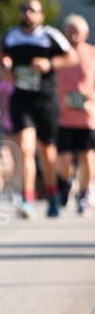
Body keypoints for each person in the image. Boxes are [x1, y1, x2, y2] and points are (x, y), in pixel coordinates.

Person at [0, 0, 77, 218]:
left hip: (45, 100)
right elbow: (1, 56)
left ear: (41, 15)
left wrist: (49, 64)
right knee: (24, 148)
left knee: (47, 151)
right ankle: (27, 199)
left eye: (32, 11)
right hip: (21, 99)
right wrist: (5, 67)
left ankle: (52, 195)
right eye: (24, 10)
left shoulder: (50, 35)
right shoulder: (10, 35)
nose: (27, 14)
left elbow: (72, 56)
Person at [55, 14, 95, 214]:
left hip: (88, 117)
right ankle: (67, 182)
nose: (74, 36)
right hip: (63, 117)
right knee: (64, 159)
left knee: (88, 158)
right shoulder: (58, 55)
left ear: (85, 33)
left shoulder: (92, 54)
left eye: (77, 32)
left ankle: (85, 192)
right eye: (70, 32)